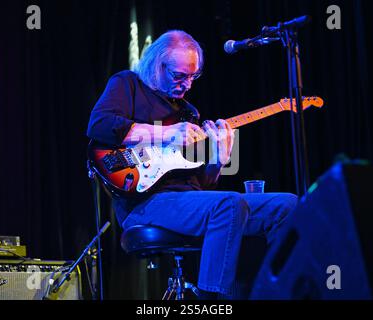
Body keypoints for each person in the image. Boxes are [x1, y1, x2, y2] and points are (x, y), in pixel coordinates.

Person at [87, 30, 297, 299]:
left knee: (286, 205)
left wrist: (219, 158)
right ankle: (211, 302)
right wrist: (165, 133)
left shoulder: (190, 113)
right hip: (144, 202)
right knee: (230, 204)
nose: (187, 84)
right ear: (157, 64)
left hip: (187, 201)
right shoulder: (128, 85)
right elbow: (99, 125)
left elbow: (202, 184)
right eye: (179, 75)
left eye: (193, 76)